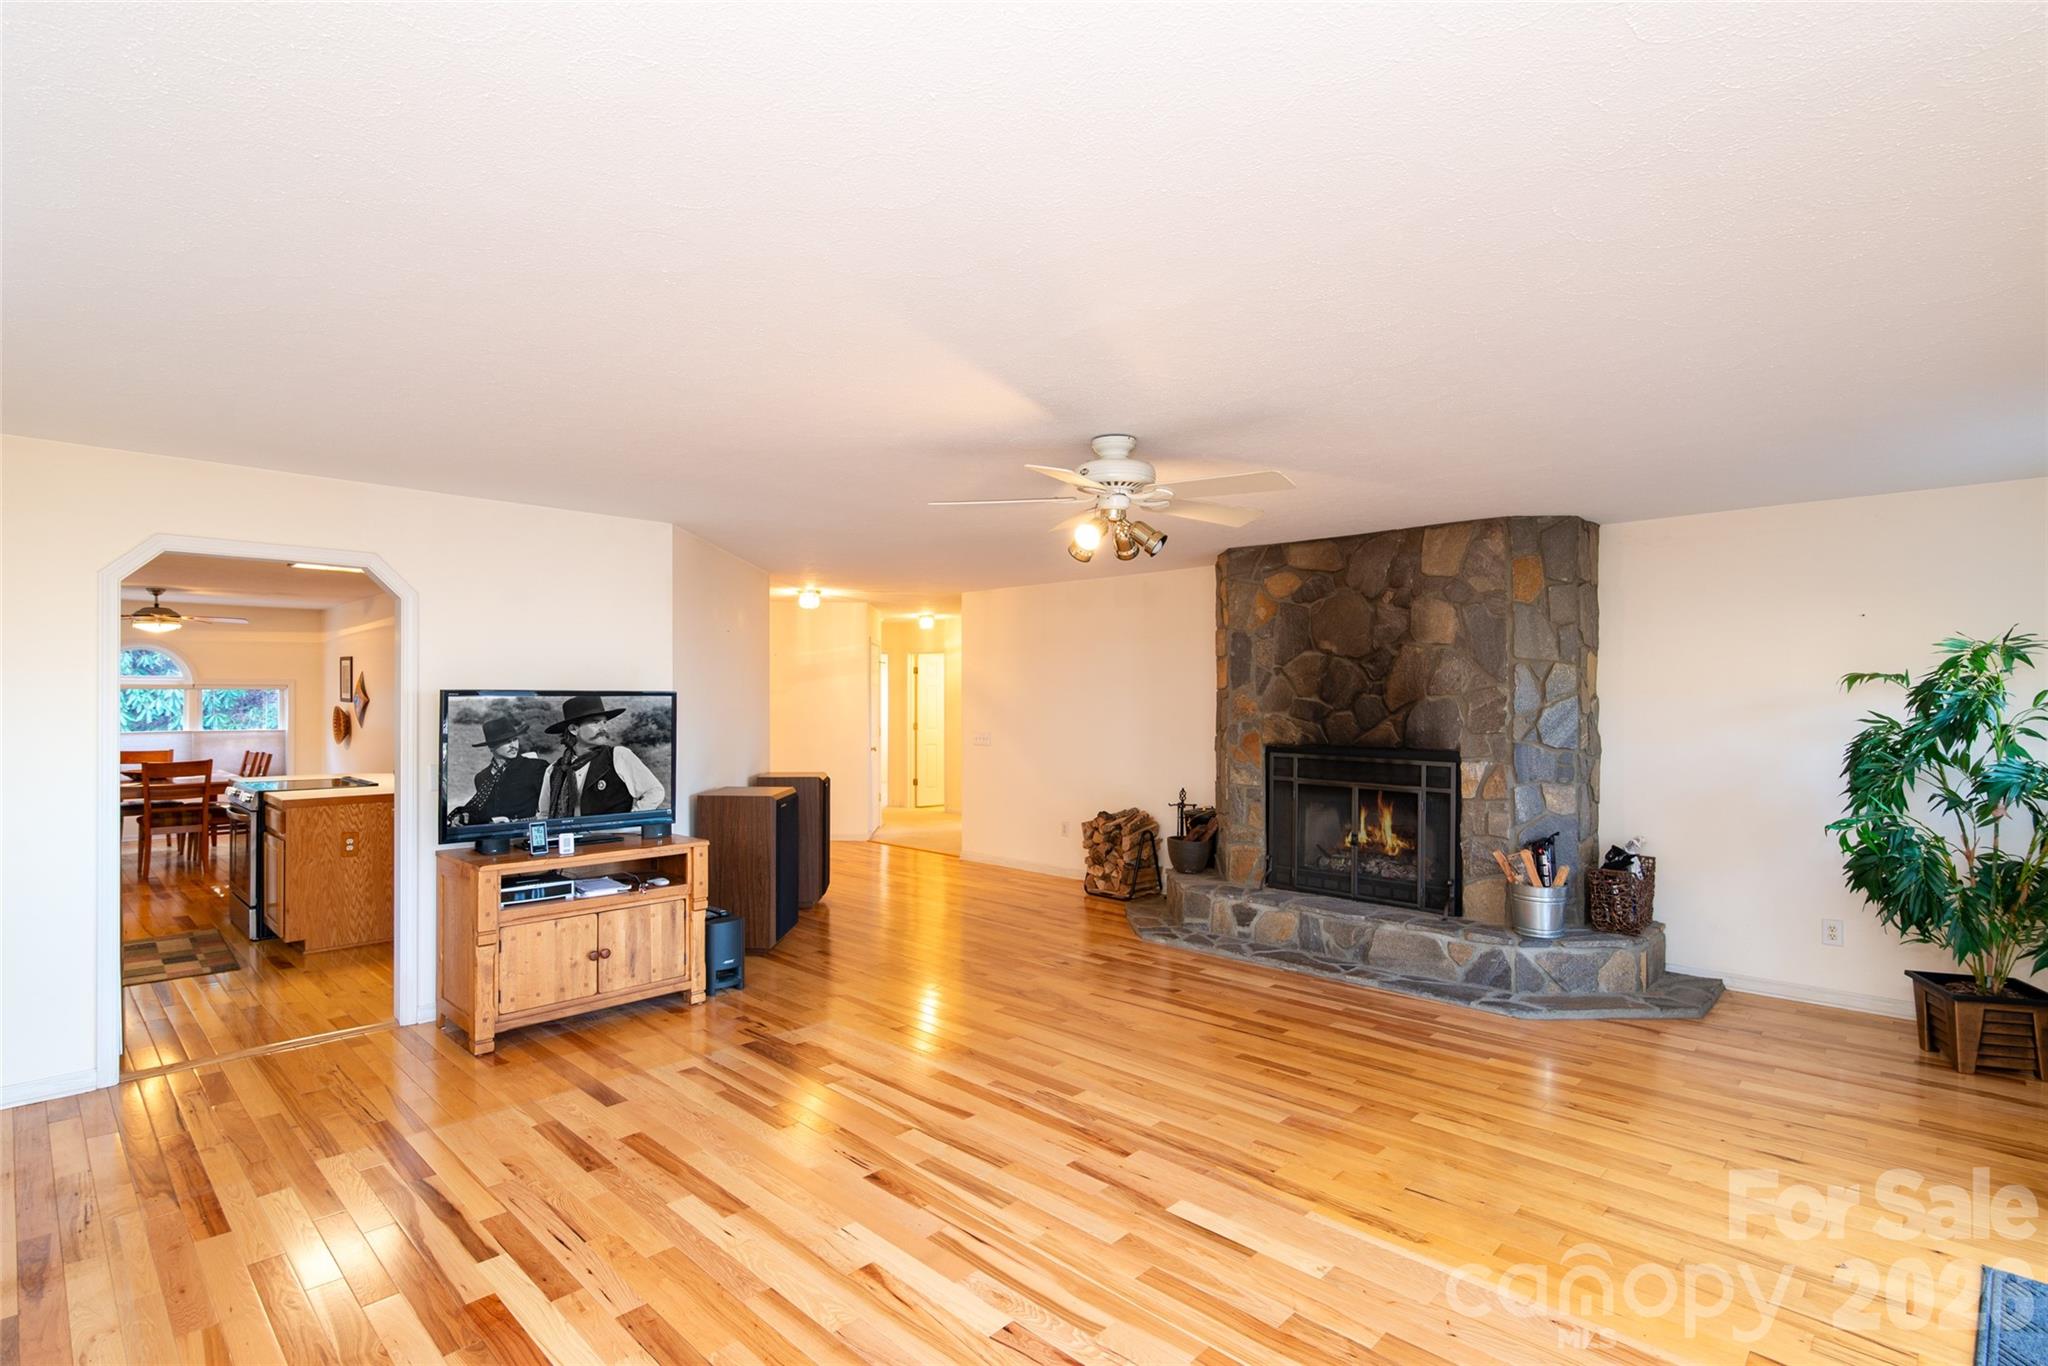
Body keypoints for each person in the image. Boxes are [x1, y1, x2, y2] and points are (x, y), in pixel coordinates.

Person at [536, 694, 667, 818]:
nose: (603, 728)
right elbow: (544, 814)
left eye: (604, 723)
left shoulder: (618, 756)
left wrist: (627, 822)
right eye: (595, 722)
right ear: (574, 729)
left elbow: (654, 792)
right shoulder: (554, 770)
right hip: (569, 839)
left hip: (614, 839)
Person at [448, 712, 547, 825]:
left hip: (525, 833)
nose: (513, 745)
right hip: (493, 835)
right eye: (506, 741)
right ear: (491, 746)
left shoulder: (536, 767)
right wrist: (462, 817)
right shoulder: (481, 777)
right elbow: (482, 812)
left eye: (515, 739)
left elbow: (548, 808)